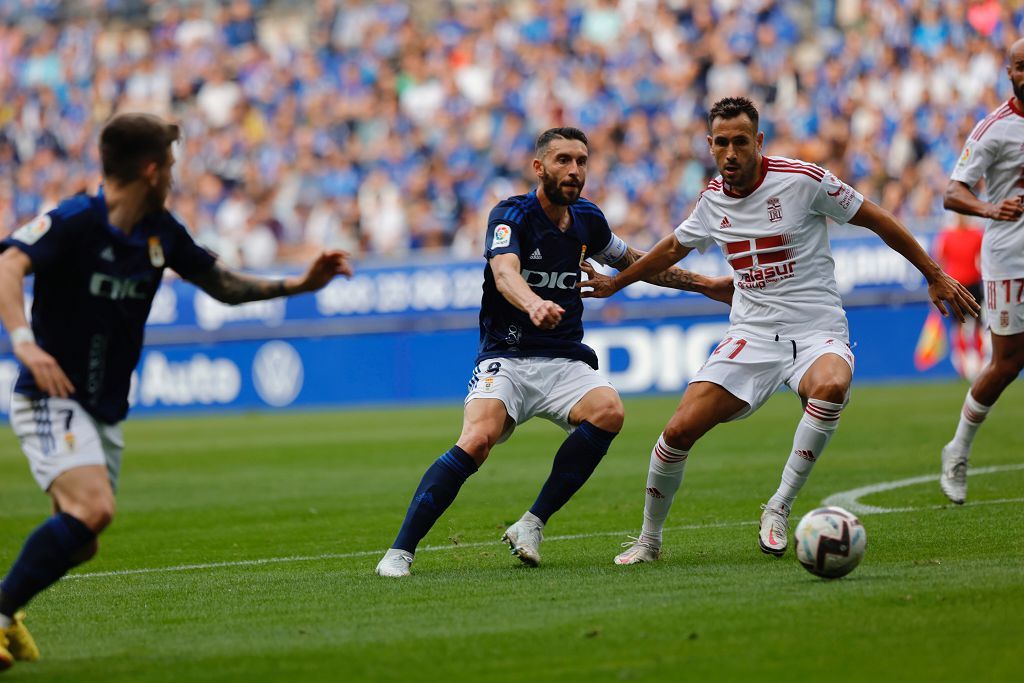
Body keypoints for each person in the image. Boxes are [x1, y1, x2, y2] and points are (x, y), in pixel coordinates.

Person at [0, 112, 352, 671]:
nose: (174, 175)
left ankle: (9, 610)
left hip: (103, 408)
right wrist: (23, 342)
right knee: (94, 509)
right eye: (170, 164)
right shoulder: (74, 219)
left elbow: (225, 285)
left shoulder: (162, 231)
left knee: (82, 538)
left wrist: (298, 285)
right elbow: (9, 261)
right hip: (51, 393)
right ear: (150, 168)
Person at [579, 97, 978, 564]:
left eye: (740, 142)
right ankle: (648, 540)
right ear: (710, 145)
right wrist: (615, 284)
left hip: (816, 328)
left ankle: (779, 505)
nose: (731, 153)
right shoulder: (711, 200)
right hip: (751, 333)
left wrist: (933, 273)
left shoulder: (802, 181)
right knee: (677, 432)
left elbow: (878, 219)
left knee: (830, 386)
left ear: (758, 142)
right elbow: (670, 248)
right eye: (721, 143)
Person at [374, 127, 732, 577]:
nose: (575, 170)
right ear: (539, 167)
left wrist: (708, 285)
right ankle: (400, 551)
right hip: (507, 355)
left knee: (609, 411)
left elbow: (636, 263)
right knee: (478, 439)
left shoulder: (588, 220)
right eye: (563, 160)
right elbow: (504, 274)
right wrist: (533, 302)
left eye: (582, 161)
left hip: (563, 358)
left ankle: (531, 524)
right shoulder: (511, 215)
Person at [938, 37, 1024, 505]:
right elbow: (953, 193)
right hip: (1010, 257)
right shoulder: (995, 129)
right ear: (1008, 72)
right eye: (1020, 66)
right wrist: (992, 209)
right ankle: (958, 449)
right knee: (1008, 363)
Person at [933, 218, 985, 380]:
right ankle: (963, 364)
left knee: (976, 324)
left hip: (971, 284)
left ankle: (978, 362)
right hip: (955, 286)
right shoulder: (947, 235)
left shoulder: (975, 234)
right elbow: (939, 261)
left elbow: (982, 259)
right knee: (959, 326)